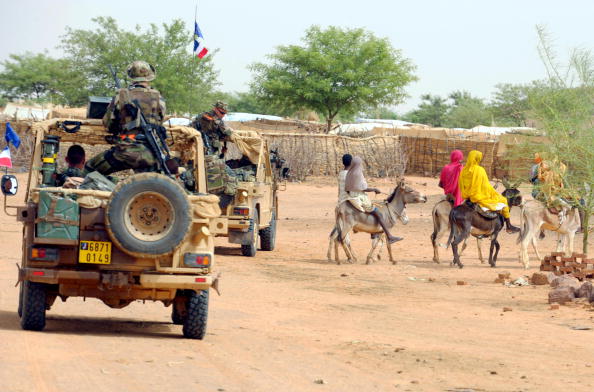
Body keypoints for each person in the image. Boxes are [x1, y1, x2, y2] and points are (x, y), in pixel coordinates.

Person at [84, 60, 166, 175]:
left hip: (126, 152)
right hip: (152, 153)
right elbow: (159, 123)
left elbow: (108, 124)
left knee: (90, 168)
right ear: (149, 77)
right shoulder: (159, 98)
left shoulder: (121, 94)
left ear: (131, 77)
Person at [459, 150, 520, 233]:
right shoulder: (479, 170)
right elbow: (486, 186)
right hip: (478, 196)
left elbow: (461, 185)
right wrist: (493, 192)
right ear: (477, 159)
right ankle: (509, 226)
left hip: (467, 196)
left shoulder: (464, 170)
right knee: (504, 200)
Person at [344, 156, 403, 243]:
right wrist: (374, 189)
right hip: (360, 197)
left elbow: (349, 188)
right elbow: (363, 188)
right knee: (378, 213)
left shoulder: (349, 173)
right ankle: (389, 236)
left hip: (352, 196)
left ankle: (374, 232)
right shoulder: (357, 174)